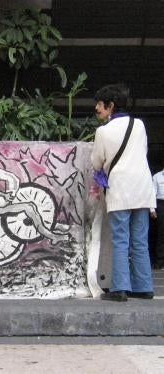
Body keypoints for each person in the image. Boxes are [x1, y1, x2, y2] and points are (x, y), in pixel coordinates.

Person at [91, 84, 156, 301]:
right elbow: (142, 152)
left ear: (110, 106)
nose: (97, 109)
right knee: (140, 239)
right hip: (143, 187)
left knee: (120, 239)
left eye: (100, 105)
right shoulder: (139, 125)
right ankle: (144, 287)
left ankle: (120, 289)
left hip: (121, 188)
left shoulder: (103, 131)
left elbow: (96, 162)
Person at [152, 168, 164, 268]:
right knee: (161, 233)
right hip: (161, 204)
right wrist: (152, 209)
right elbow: (152, 193)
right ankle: (160, 261)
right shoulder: (157, 176)